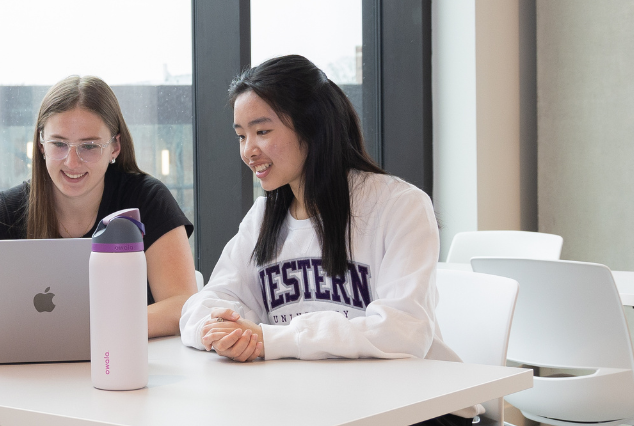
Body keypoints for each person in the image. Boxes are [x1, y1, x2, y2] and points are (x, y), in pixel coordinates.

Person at [177, 55, 477, 426]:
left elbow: (404, 331)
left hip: (420, 411)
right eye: (241, 135)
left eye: (263, 131)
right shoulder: (262, 217)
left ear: (312, 126)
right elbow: (205, 302)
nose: (248, 150)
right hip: (317, 405)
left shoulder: (398, 205)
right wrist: (217, 330)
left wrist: (272, 340)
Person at [0, 75, 198, 338]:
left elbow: (181, 305)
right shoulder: (9, 208)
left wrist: (92, 330)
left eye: (89, 146)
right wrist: (7, 334)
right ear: (41, 145)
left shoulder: (147, 199)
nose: (72, 162)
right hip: (33, 374)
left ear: (115, 147)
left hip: (125, 367)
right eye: (59, 144)